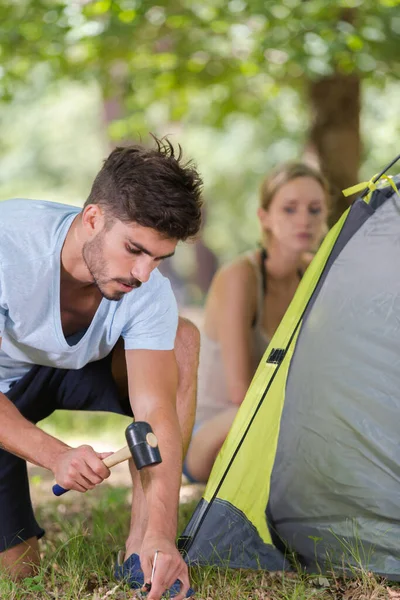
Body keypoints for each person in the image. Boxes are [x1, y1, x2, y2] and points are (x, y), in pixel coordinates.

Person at [0, 138, 203, 600]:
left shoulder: (145, 286)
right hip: (4, 389)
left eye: (159, 258)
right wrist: (56, 455)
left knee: (181, 339)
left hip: (71, 370)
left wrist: (163, 534)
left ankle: (141, 546)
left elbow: (157, 411)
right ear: (93, 218)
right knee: (19, 572)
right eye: (134, 250)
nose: (144, 273)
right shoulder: (8, 246)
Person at [184, 161, 329, 484]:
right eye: (289, 209)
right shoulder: (240, 277)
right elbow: (241, 394)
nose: (304, 219)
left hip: (278, 422)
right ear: (264, 218)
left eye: (315, 209)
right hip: (216, 432)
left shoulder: (314, 276)